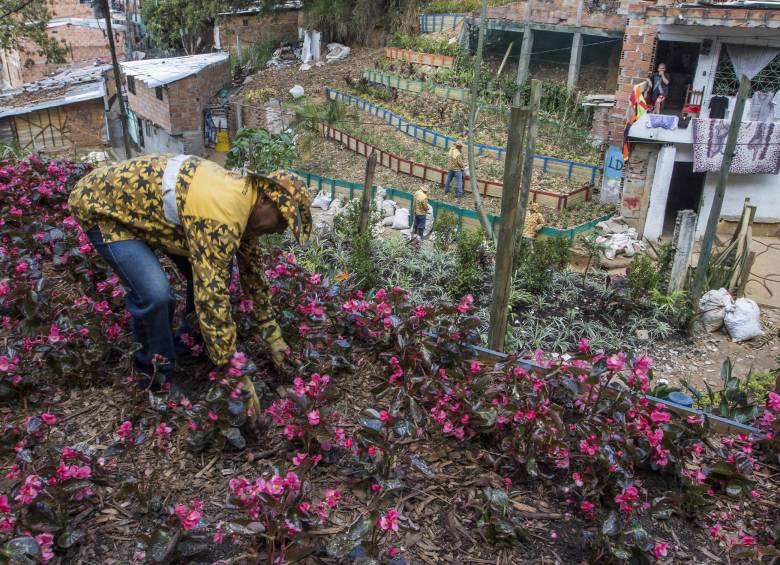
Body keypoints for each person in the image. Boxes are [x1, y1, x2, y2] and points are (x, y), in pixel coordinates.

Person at [68, 154, 313, 393]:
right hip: (103, 208)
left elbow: (252, 273)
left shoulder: (246, 204)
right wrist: (233, 371)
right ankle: (153, 377)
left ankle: (187, 346)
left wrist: (273, 334)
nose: (281, 231)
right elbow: (211, 296)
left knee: (220, 267)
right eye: (282, 221)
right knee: (156, 294)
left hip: (152, 213)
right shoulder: (222, 213)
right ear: (264, 201)